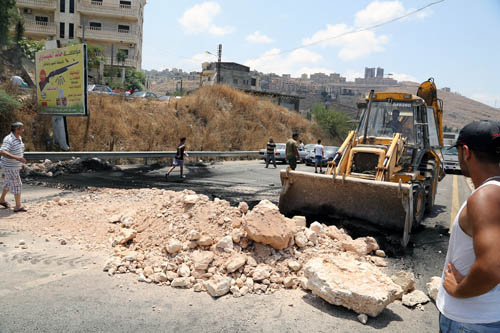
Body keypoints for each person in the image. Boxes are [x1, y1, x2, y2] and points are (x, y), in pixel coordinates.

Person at [437, 120, 500, 332]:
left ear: (465, 152)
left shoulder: (486, 196)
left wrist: (459, 290)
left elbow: (492, 268)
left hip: (470, 321)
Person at [0, 122, 27, 212]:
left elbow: (19, 151)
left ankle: (1, 200)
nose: (23, 130)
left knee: (8, 183)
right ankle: (18, 206)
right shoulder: (9, 139)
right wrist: (18, 158)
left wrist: (20, 164)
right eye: (22, 128)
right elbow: (3, 151)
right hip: (10, 166)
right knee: (17, 184)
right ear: (17, 130)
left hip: (14, 165)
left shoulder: (18, 137)